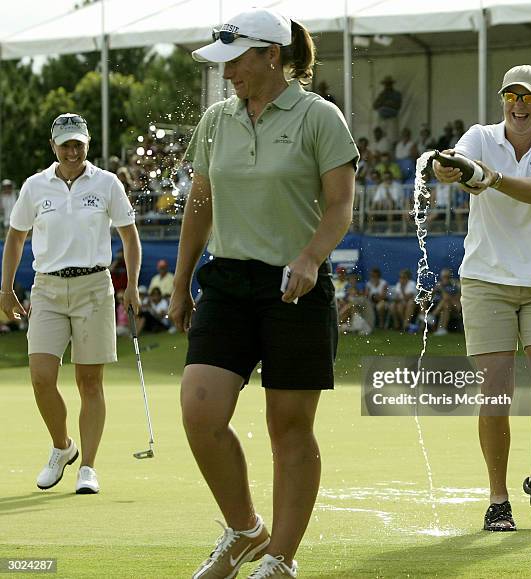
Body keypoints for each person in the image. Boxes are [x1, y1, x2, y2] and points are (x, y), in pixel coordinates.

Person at [169, 9, 358, 579]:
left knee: (289, 426)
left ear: (270, 55)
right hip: (226, 281)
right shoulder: (215, 122)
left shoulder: (320, 117)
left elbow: (341, 207)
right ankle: (246, 529)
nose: (227, 73)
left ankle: (280, 558)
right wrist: (181, 282)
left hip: (294, 289)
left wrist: (309, 257)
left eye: (235, 61)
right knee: (199, 412)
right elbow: (199, 205)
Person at [433, 64, 531, 531]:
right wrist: (450, 167)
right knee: (496, 393)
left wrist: (489, 178)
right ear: (503, 101)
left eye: (528, 98)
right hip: (486, 281)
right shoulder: (480, 136)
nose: (518, 105)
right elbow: (460, 166)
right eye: (511, 96)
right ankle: (498, 499)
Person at [0, 113, 141, 495]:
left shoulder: (108, 183)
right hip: (47, 287)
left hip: (94, 286)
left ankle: (88, 468)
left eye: (78, 144)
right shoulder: (34, 187)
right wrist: (5, 288)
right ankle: (63, 447)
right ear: (53, 147)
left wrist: (132, 285)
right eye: (66, 145)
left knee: (89, 381)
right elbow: (15, 238)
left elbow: (129, 236)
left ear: (87, 144)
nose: (73, 151)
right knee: (41, 377)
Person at [373, 76, 402, 144]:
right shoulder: (382, 94)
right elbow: (375, 106)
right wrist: (385, 102)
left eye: (389, 84)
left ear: (392, 84)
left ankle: (392, 153)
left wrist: (384, 103)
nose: (387, 86)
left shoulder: (396, 94)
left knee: (392, 138)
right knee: (381, 137)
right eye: (386, 84)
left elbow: (397, 106)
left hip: (392, 118)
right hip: (382, 119)